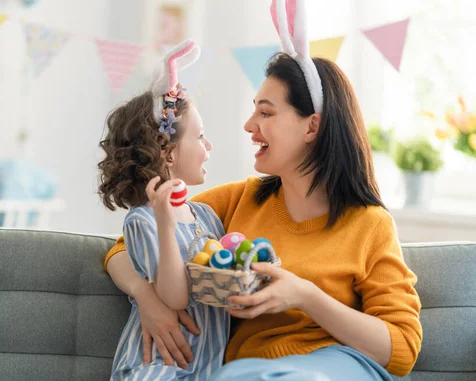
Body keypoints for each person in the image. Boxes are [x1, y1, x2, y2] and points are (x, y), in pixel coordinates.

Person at [102, 1, 422, 380]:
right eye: (254, 109)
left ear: (312, 127)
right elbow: (131, 241)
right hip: (244, 371)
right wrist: (146, 296)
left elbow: (400, 350)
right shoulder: (239, 200)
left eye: (266, 113)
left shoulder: (370, 225)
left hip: (336, 365)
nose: (248, 124)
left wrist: (304, 295)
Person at [97, 39, 229, 380]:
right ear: (168, 152)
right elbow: (174, 297)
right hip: (157, 366)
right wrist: (166, 226)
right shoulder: (143, 221)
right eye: (200, 137)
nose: (209, 145)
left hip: (205, 367)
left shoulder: (207, 217)